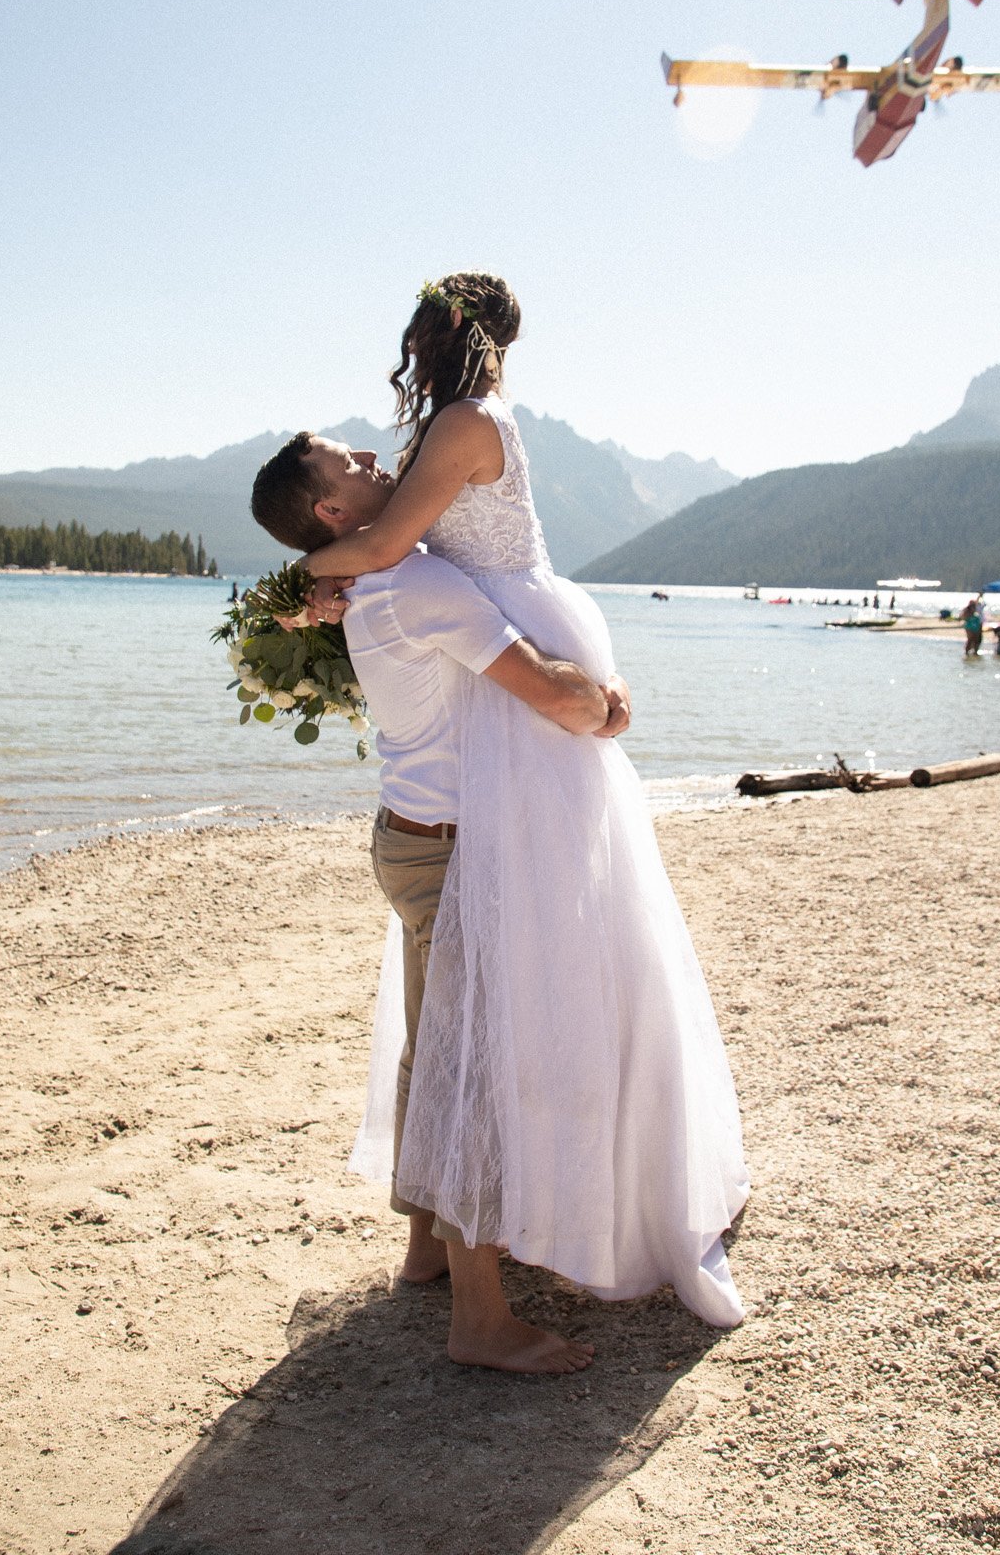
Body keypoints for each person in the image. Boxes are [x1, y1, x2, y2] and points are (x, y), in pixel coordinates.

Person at [285, 271, 748, 1347]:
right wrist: (327, 578)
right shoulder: (456, 427)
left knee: (469, 1007)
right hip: (512, 664)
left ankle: (450, 1244)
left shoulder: (465, 422)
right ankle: (458, 1257)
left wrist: (307, 576)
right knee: (481, 1007)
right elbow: (392, 546)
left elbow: (387, 545)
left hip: (514, 664)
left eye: (417, 332)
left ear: (441, 336)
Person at [254, 436, 633, 1372]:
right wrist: (610, 706)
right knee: (478, 1067)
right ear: (334, 514)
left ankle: (426, 1244)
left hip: (412, 839)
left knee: (435, 1046)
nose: (374, 454)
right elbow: (549, 693)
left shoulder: (376, 582)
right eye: (348, 461)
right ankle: (480, 1321)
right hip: (455, 855)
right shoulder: (416, 581)